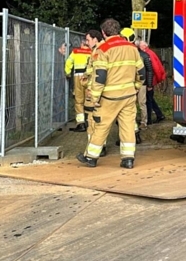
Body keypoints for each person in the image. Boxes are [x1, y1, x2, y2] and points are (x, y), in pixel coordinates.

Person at [78, 19, 144, 169]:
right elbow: (141, 72)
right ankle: (128, 159)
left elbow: (100, 76)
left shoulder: (103, 49)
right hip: (128, 95)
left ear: (103, 33)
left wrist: (94, 97)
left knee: (101, 126)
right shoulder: (131, 47)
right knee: (127, 126)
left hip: (109, 97)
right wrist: (136, 86)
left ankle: (91, 157)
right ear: (118, 31)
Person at [121, 27, 152, 137]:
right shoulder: (131, 54)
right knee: (132, 105)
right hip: (132, 83)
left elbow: (148, 71)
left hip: (141, 84)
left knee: (142, 103)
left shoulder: (144, 56)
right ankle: (134, 123)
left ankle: (144, 122)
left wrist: (149, 84)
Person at [63, 34, 95, 132]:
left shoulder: (75, 52)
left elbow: (68, 63)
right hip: (89, 77)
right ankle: (91, 122)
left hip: (78, 76)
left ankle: (81, 123)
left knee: (79, 100)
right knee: (89, 99)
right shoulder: (92, 52)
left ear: (81, 43)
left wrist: (67, 73)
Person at [138, 38, 166, 123]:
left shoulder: (147, 54)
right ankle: (159, 115)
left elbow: (154, 68)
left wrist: (157, 80)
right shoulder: (150, 53)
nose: (139, 48)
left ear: (144, 46)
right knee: (150, 99)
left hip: (149, 80)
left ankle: (149, 120)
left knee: (148, 100)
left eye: (140, 46)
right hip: (150, 79)